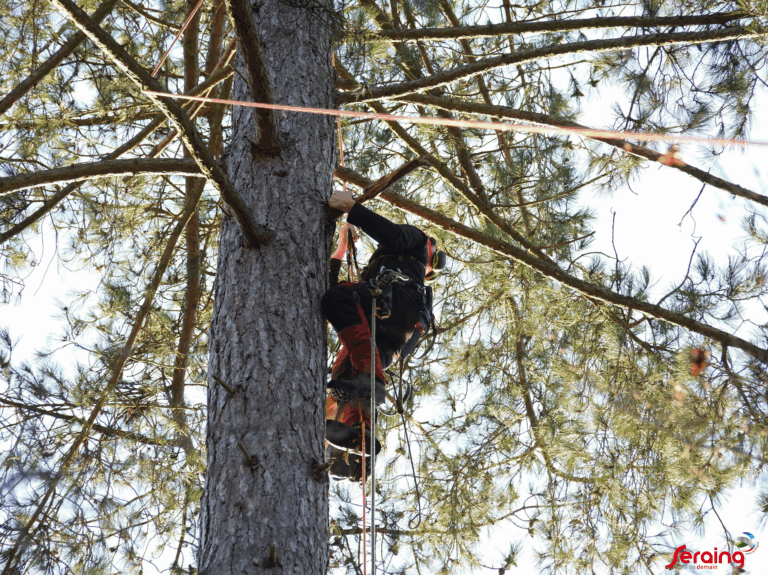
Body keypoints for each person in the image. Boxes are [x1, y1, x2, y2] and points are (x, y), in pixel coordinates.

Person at [322, 189, 445, 481]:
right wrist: (340, 251)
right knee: (348, 374)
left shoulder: (418, 241)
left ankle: (368, 383)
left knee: (340, 302)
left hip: (395, 307)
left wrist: (352, 209)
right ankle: (357, 439)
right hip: (394, 337)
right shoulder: (385, 275)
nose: (429, 268)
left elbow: (391, 234)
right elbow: (328, 292)